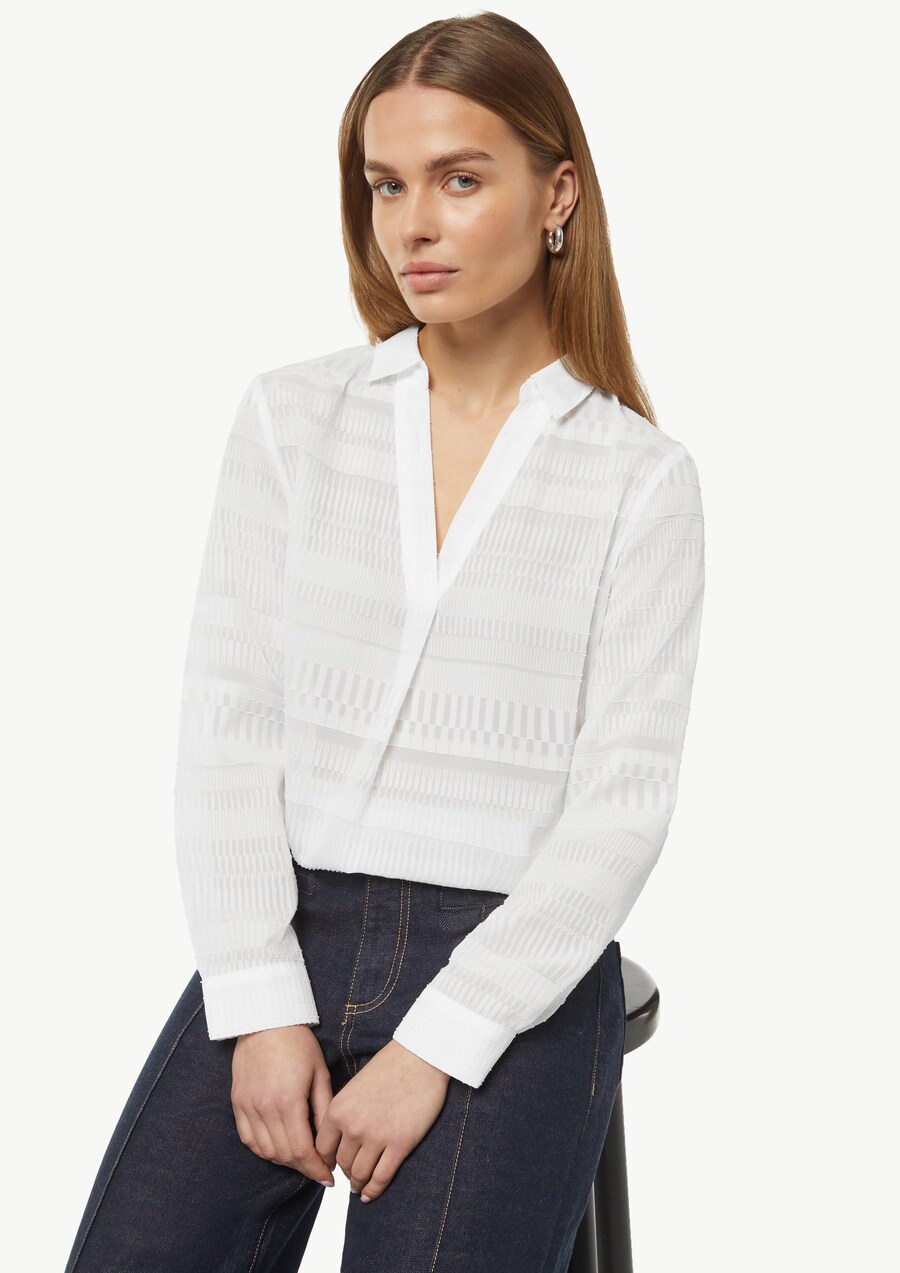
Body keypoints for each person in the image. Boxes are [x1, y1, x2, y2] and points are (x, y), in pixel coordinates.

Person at [65, 11, 706, 1272]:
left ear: (556, 194)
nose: (411, 224)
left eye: (459, 180)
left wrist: (440, 1043)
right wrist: (257, 1001)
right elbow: (228, 728)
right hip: (292, 925)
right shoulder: (293, 421)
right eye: (386, 185)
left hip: (515, 961)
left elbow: (620, 807)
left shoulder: (640, 480)